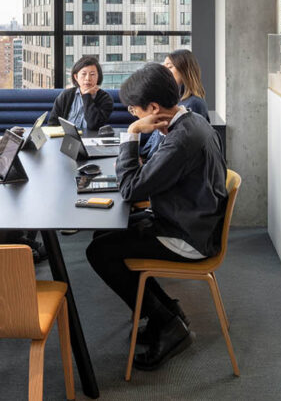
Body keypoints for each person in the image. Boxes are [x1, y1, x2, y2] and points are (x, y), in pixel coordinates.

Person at [85, 63, 227, 371]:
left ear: (152, 108)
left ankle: (168, 324)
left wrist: (132, 134)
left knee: (99, 251)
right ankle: (168, 312)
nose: (133, 117)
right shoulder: (191, 122)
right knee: (102, 237)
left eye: (134, 111)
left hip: (188, 236)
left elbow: (131, 189)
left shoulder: (180, 139)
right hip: (190, 221)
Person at [142, 49, 210, 159]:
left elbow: (181, 148)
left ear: (185, 71)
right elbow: (157, 136)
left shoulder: (194, 104)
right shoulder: (175, 102)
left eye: (169, 67)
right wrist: (142, 156)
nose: (164, 71)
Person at [47, 55, 114, 132]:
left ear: (98, 77)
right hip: (66, 139)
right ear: (76, 77)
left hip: (92, 140)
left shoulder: (105, 98)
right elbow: (52, 123)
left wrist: (87, 96)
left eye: (92, 74)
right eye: (83, 74)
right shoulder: (66, 95)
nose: (88, 78)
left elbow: (94, 125)